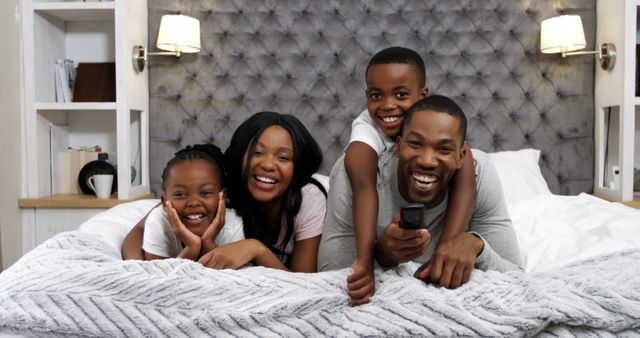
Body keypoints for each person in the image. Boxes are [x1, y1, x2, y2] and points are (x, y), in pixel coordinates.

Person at [318, 95, 522, 289]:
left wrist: (476, 247)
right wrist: (382, 255)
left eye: (444, 149)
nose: (426, 161)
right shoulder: (356, 174)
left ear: (461, 157)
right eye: (415, 144)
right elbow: (330, 277)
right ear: (398, 146)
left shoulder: (479, 172)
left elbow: (517, 278)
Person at [343, 47, 477, 305]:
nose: (388, 105)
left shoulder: (437, 124)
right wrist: (366, 264)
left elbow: (466, 184)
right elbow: (363, 189)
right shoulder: (367, 130)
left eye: (401, 94)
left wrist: (445, 251)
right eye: (375, 95)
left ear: (422, 95)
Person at [197, 111, 327, 272]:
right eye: (256, 153)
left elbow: (304, 284)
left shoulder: (308, 198)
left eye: (283, 158)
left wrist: (257, 249)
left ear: (297, 167)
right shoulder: (225, 191)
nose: (268, 165)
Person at [121, 144, 244, 260]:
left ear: (222, 197)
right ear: (164, 202)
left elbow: (227, 278)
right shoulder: (158, 221)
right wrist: (192, 247)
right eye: (180, 194)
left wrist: (208, 243)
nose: (194, 203)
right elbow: (157, 278)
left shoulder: (234, 227)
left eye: (205, 193)